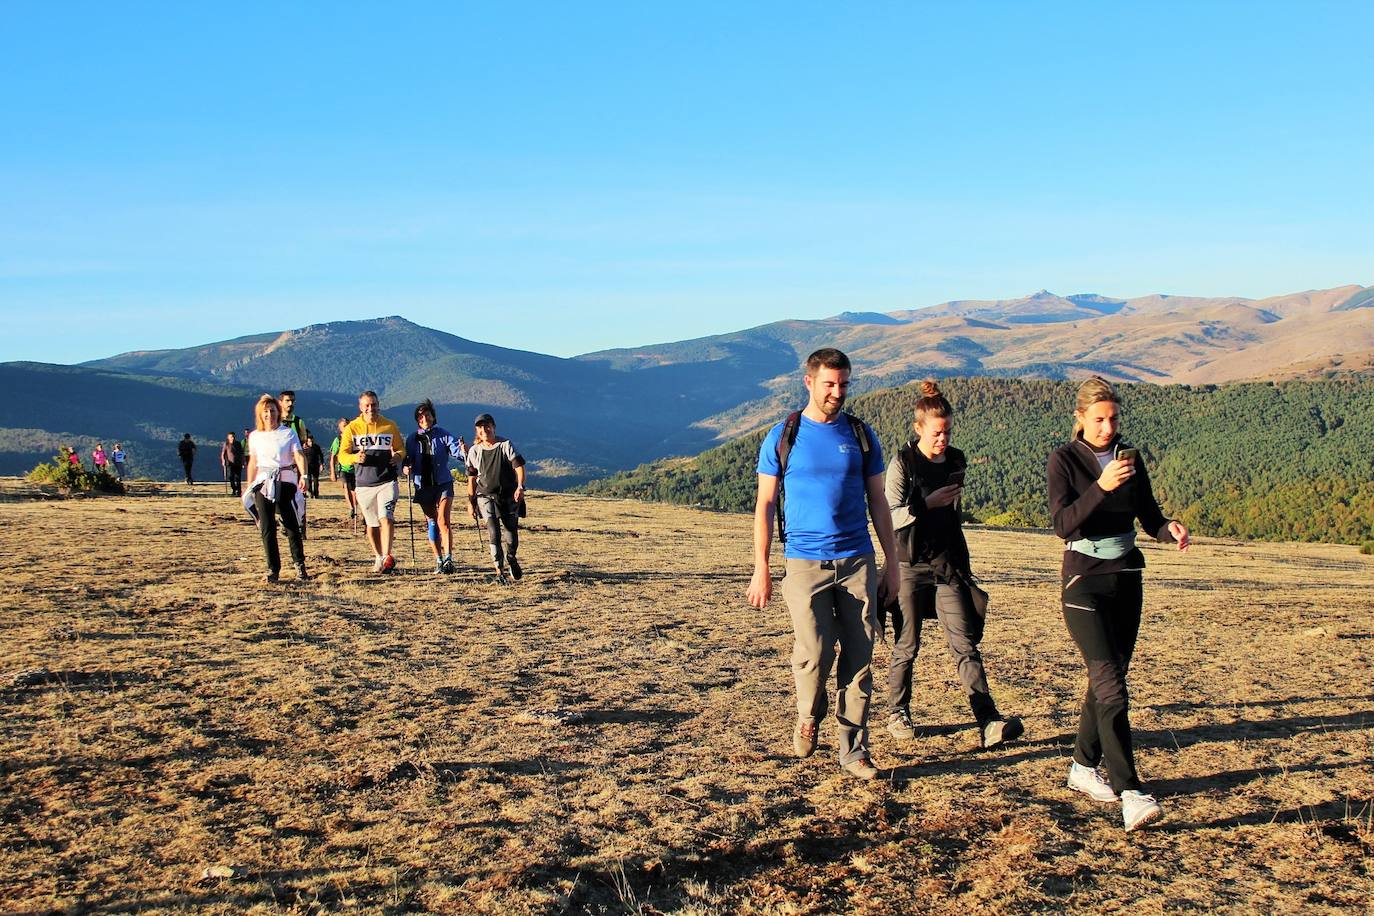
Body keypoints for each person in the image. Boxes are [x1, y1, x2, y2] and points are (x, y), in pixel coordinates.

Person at [746, 348, 900, 781]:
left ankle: (854, 748)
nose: (838, 392)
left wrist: (893, 562)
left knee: (860, 655)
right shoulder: (784, 435)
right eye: (830, 383)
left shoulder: (861, 435)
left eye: (844, 384)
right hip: (803, 562)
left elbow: (879, 503)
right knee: (813, 652)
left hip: (857, 560)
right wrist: (762, 567)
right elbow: (765, 503)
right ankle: (808, 714)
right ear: (809, 382)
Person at [1048, 376, 1191, 832]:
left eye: (1113, 419)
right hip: (1083, 583)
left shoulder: (1131, 458)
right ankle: (1131, 791)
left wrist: (1169, 529)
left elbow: (1148, 514)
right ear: (1081, 419)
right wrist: (1101, 487)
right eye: (1099, 420)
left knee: (1107, 679)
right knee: (1110, 685)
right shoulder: (1064, 460)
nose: (1108, 428)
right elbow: (1063, 525)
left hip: (1127, 578)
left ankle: (1082, 767)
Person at [884, 380, 1023, 750]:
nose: (942, 439)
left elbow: (954, 513)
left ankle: (989, 721)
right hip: (910, 564)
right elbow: (887, 515)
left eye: (947, 432)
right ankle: (897, 712)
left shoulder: (957, 460)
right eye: (936, 432)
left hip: (948, 565)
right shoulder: (903, 462)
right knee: (907, 643)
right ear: (919, 429)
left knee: (965, 646)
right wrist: (926, 505)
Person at [245, 394, 309, 583]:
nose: (269, 414)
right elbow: (253, 462)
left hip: (285, 480)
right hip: (263, 482)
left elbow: (298, 455)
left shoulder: (287, 433)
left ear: (277, 412)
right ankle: (273, 569)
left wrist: (303, 475)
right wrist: (249, 485)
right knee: (267, 527)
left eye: (272, 410)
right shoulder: (255, 436)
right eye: (265, 411)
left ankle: (299, 565)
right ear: (260, 414)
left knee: (290, 524)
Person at [340, 391, 406, 572]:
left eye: (374, 405)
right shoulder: (352, 428)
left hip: (387, 480)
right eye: (367, 406)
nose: (371, 409)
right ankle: (378, 556)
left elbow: (400, 448)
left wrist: (398, 456)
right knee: (372, 524)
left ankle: (387, 557)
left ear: (379, 405)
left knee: (387, 517)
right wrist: (354, 458)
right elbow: (342, 456)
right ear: (361, 408)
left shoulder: (389, 425)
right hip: (364, 484)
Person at [402, 400, 468, 574]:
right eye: (421, 416)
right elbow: (407, 458)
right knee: (432, 522)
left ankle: (448, 559)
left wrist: (464, 451)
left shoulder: (443, 434)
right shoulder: (412, 439)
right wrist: (405, 467)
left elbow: (457, 452)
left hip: (443, 483)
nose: (425, 418)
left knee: (443, 521)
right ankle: (439, 559)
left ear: (433, 416)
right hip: (422, 485)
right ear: (417, 419)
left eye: (428, 415)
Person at [466, 413, 526, 582]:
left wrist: (520, 486)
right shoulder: (474, 451)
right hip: (485, 496)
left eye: (487, 426)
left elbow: (519, 467)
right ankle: (499, 571)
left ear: (493, 426)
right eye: (480, 427)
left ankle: (511, 558)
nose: (484, 430)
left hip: (508, 496)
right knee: (493, 531)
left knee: (511, 534)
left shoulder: (505, 445)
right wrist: (471, 502)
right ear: (477, 431)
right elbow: (471, 479)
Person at [330, 417, 360, 523]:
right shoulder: (338, 440)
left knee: (354, 491)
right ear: (340, 427)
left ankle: (355, 508)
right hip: (343, 468)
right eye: (344, 426)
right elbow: (333, 456)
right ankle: (351, 508)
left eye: (348, 425)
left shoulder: (355, 439)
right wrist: (332, 472)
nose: (346, 427)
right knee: (346, 486)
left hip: (355, 468)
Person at [220, 432, 244, 496]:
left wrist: (243, 462)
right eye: (231, 437)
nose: (232, 438)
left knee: (238, 478)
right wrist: (223, 461)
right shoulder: (226, 444)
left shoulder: (238, 444)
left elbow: (242, 453)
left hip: (238, 463)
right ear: (228, 438)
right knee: (231, 477)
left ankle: (238, 491)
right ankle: (234, 489)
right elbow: (223, 454)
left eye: (233, 436)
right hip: (230, 464)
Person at [303, 433, 324, 498]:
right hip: (307, 466)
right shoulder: (304, 448)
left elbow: (320, 456)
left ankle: (316, 493)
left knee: (316, 480)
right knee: (308, 479)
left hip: (315, 465)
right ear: (307, 442)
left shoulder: (316, 447)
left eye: (312, 441)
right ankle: (310, 493)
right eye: (309, 441)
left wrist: (321, 464)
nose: (311, 443)